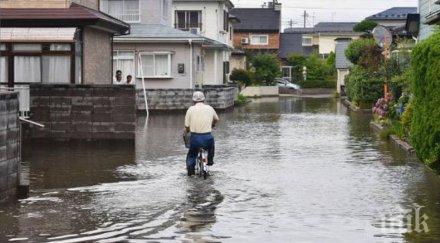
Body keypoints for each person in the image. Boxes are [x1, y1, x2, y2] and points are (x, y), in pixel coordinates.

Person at [184, 91, 219, 176]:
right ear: (204, 99)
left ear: (193, 100)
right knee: (211, 147)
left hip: (195, 138)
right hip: (208, 138)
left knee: (192, 154)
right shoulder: (210, 108)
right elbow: (217, 119)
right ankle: (210, 161)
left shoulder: (190, 109)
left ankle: (190, 170)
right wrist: (212, 124)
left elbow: (186, 125)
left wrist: (187, 130)